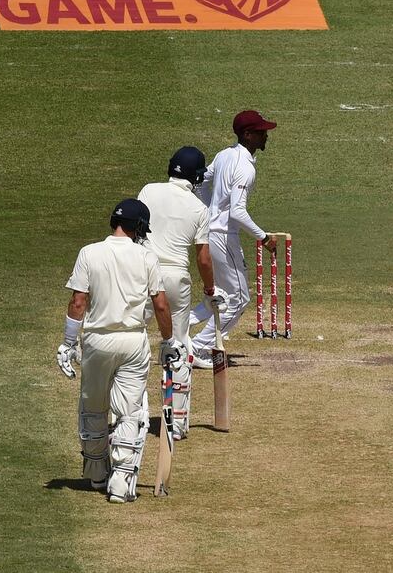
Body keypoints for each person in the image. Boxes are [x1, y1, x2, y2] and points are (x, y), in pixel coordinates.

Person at [55, 199, 187, 503]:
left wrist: (67, 343)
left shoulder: (89, 253)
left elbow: (78, 302)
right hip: (132, 341)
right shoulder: (146, 257)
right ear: (138, 226)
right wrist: (169, 342)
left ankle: (98, 474)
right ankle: (121, 483)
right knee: (130, 411)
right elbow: (161, 304)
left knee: (93, 407)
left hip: (97, 341)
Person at [138, 147, 228, 439]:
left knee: (133, 340)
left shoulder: (148, 191)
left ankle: (130, 415)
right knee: (178, 346)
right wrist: (211, 290)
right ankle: (176, 423)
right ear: (197, 177)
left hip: (143, 272)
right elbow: (203, 258)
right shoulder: (198, 209)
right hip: (175, 279)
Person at [189, 110, 279, 367]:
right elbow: (238, 212)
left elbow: (199, 183)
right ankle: (197, 348)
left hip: (214, 232)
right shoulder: (244, 168)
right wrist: (263, 238)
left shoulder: (224, 155)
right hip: (224, 236)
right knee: (239, 299)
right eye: (261, 132)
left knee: (221, 296)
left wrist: (209, 210)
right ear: (248, 135)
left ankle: (182, 330)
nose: (266, 136)